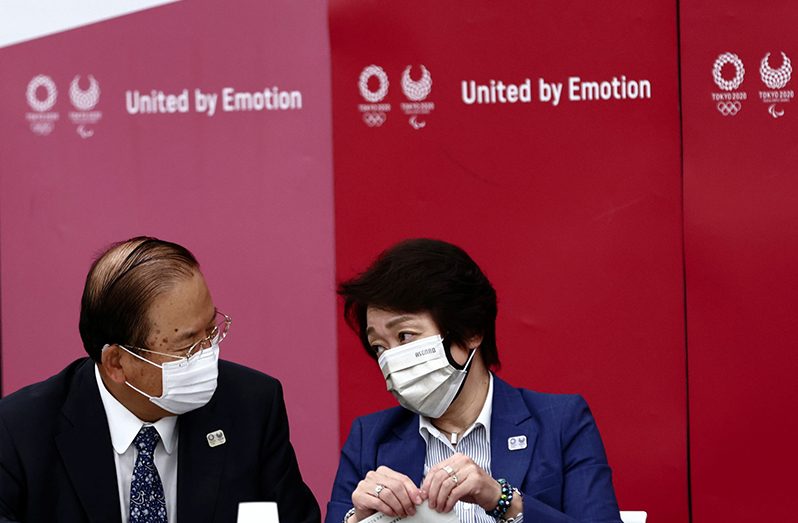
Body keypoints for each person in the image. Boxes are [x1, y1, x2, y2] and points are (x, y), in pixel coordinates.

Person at [0, 236, 320, 523]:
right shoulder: (19, 433)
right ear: (117, 363)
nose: (209, 353)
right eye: (188, 344)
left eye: (211, 329)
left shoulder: (251, 406)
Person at [326, 239, 621, 523]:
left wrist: (501, 500)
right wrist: (359, 520)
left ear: (470, 332)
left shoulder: (560, 422)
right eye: (379, 346)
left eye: (405, 336)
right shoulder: (371, 438)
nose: (391, 359)